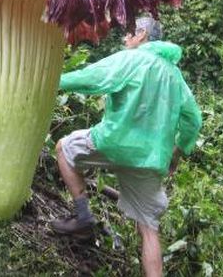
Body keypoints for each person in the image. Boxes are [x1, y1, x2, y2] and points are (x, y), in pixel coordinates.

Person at [51, 16, 202, 277]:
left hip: (111, 144)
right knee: (148, 229)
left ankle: (83, 218)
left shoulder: (131, 59)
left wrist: (50, 80)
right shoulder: (174, 75)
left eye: (129, 32)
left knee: (64, 148)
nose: (124, 38)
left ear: (141, 34)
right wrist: (177, 152)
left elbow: (90, 78)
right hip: (151, 160)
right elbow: (194, 121)